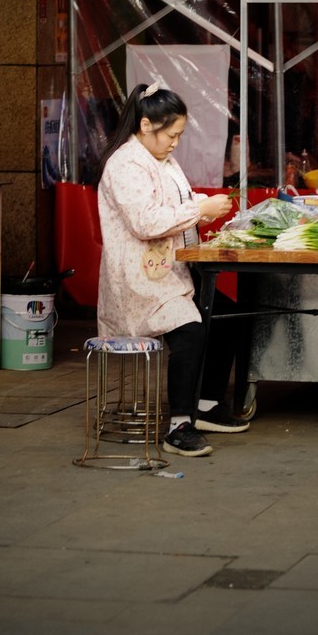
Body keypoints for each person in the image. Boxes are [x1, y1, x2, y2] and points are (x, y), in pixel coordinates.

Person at [95, 81, 247, 458]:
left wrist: (205, 204)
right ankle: (179, 426)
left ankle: (207, 404)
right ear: (146, 126)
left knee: (228, 316)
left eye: (180, 134)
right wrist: (200, 210)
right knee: (191, 331)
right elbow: (145, 221)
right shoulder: (125, 164)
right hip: (139, 277)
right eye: (172, 134)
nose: (176, 142)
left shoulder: (161, 159)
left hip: (167, 268)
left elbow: (173, 199)